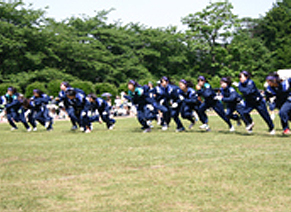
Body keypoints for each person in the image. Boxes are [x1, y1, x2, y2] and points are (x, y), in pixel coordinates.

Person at [238, 71, 275, 135]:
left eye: (241, 77)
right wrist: (241, 88)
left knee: (265, 116)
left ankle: (271, 128)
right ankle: (250, 122)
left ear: (246, 77)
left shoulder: (250, 82)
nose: (240, 78)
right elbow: (241, 90)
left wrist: (241, 89)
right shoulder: (240, 84)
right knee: (244, 112)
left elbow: (247, 91)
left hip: (258, 102)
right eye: (239, 77)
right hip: (249, 102)